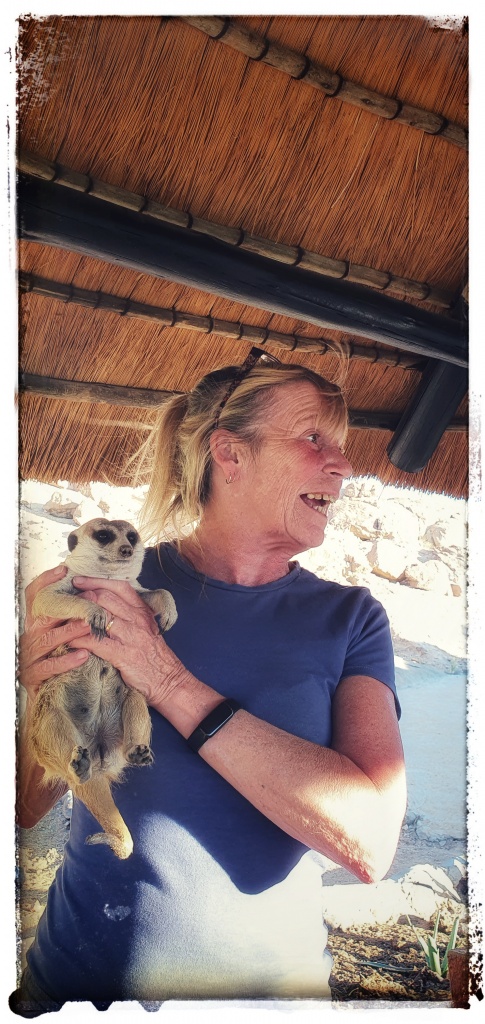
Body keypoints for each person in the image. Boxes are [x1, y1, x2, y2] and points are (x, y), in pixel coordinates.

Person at [12, 348, 406, 1014]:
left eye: (340, 447)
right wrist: (36, 702)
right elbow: (23, 808)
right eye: (314, 439)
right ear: (230, 455)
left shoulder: (352, 619)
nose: (342, 464)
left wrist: (167, 679)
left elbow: (367, 845)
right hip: (75, 987)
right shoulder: (108, 586)